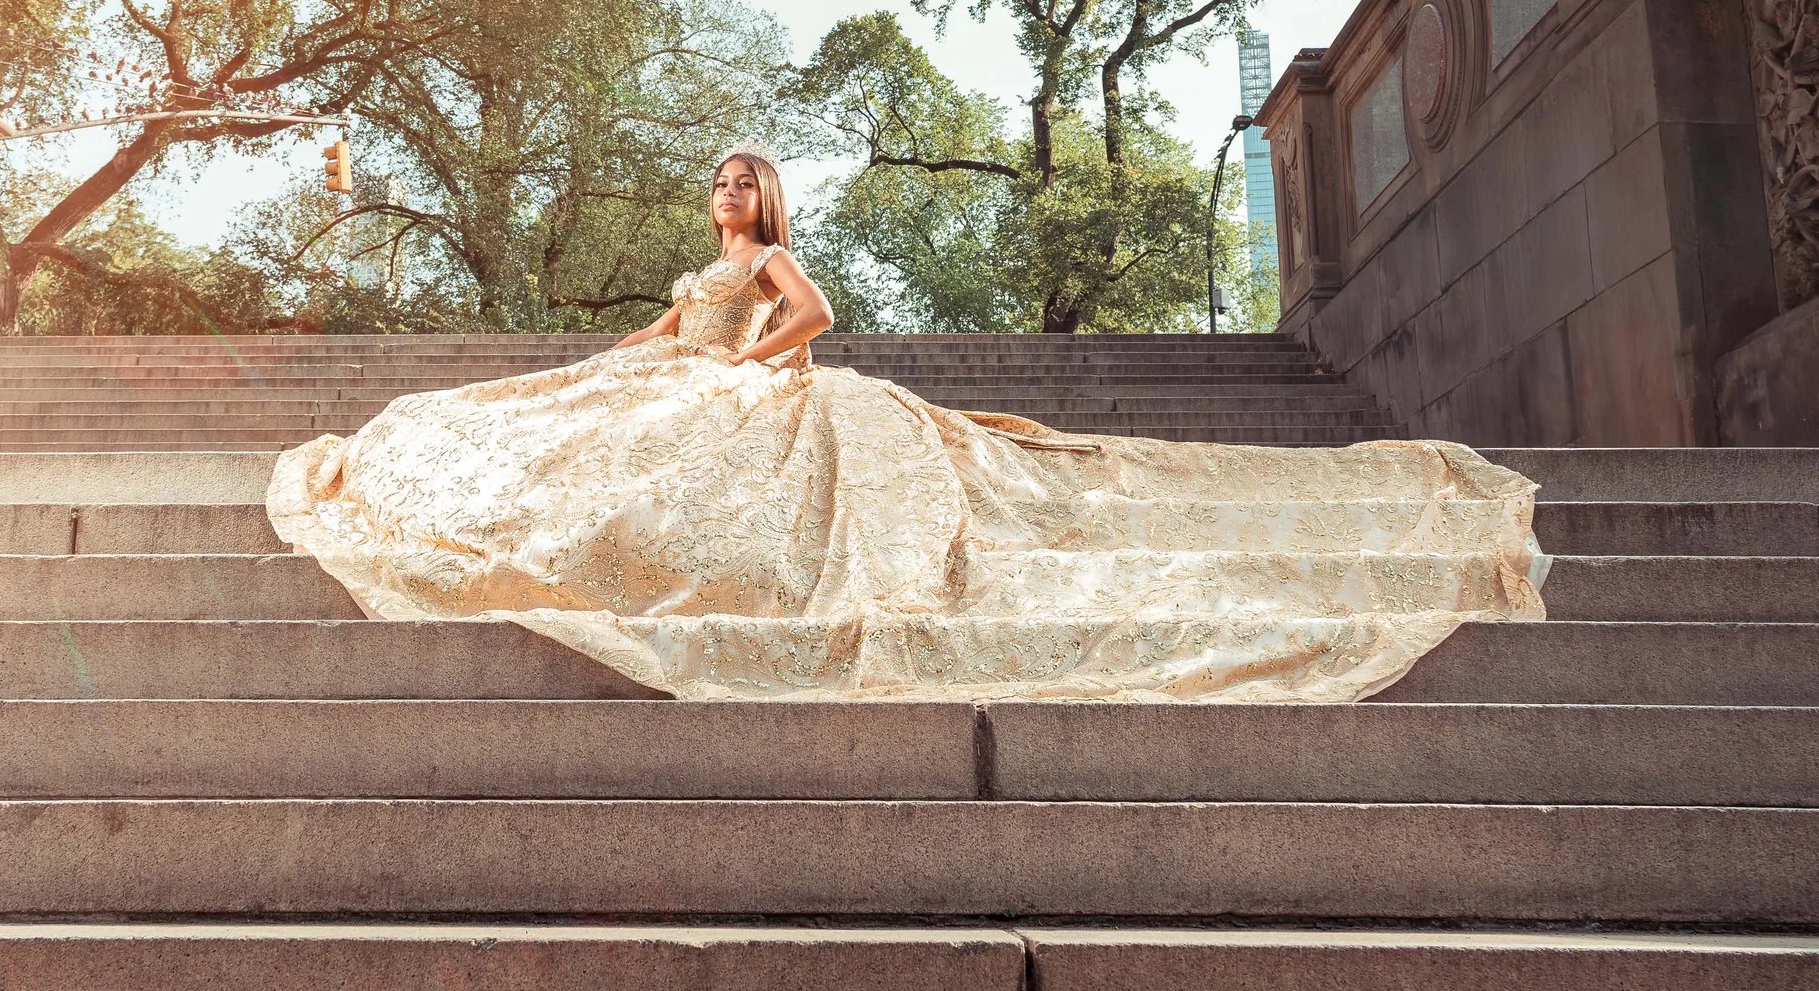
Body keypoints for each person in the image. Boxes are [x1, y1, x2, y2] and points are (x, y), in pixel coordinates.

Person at [266, 141, 1544, 700]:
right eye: (718, 182)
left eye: (739, 184)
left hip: (752, 387)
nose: (723, 194)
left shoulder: (767, 261)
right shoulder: (694, 263)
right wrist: (589, 368)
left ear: (762, 201)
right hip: (685, 374)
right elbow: (656, 336)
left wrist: (755, 367)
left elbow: (818, 314)